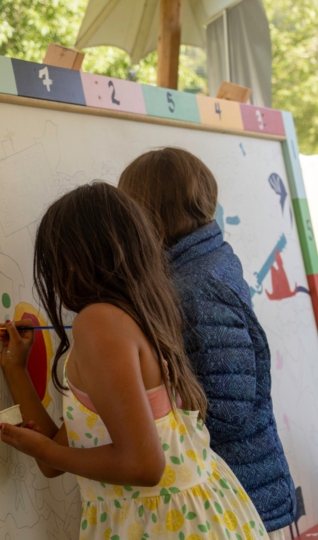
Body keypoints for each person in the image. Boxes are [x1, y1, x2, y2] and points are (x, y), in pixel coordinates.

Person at [0, 183, 267, 540]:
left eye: (55, 261)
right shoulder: (140, 316)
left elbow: (143, 464)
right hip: (196, 519)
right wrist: (16, 369)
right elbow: (52, 461)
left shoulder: (98, 323)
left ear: (77, 258)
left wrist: (45, 449)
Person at [119, 148, 296, 538]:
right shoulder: (203, 261)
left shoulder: (194, 286)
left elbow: (229, 407)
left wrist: (159, 421)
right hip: (237, 489)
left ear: (148, 214)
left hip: (238, 496)